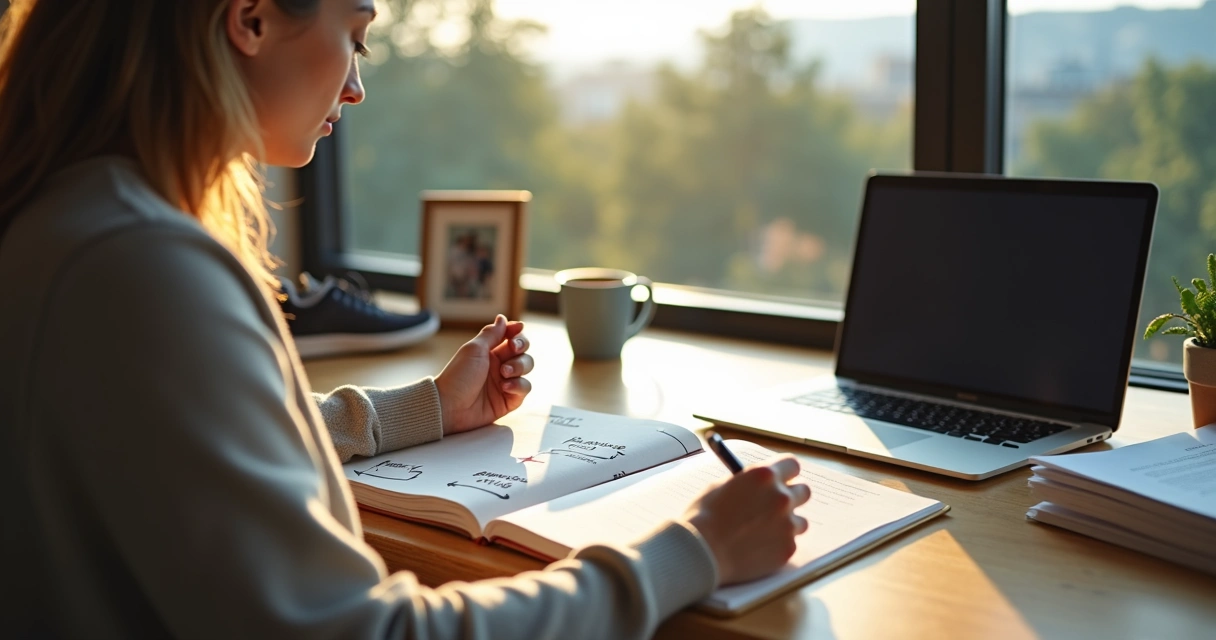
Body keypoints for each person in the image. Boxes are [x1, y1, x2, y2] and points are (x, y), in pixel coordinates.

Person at [0, 1, 812, 638]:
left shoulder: (69, 222)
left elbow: (189, 443)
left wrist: (423, 409)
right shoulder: (141, 267)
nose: (356, 84)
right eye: (355, 34)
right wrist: (691, 553)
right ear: (248, 18)